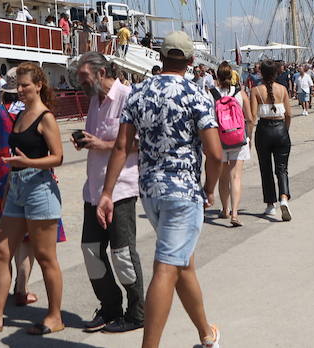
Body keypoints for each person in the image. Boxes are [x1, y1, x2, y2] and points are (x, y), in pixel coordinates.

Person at [98, 31, 222, 348]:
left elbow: (122, 147)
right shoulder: (197, 95)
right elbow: (216, 153)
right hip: (183, 192)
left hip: (150, 191)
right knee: (167, 267)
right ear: (191, 61)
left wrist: (107, 192)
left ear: (160, 56)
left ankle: (207, 334)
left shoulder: (138, 93)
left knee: (183, 263)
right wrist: (209, 189)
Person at [0, 63, 65, 335]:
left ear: (38, 85)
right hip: (16, 187)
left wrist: (28, 161)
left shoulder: (45, 117)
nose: (19, 90)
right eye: (17, 86)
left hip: (40, 188)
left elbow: (58, 156)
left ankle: (55, 316)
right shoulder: (21, 114)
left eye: (24, 85)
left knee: (45, 256)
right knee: (1, 250)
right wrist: (9, 186)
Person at [71, 52, 143, 334]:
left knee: (122, 253)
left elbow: (139, 142)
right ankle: (110, 306)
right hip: (93, 190)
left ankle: (137, 312)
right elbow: (97, 140)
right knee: (90, 251)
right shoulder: (93, 101)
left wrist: (101, 144)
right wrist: (86, 142)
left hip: (121, 188)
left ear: (101, 73)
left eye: (84, 78)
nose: (81, 84)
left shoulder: (127, 96)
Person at [249, 59, 294, 221]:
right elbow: (289, 114)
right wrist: (285, 130)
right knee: (282, 168)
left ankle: (270, 204)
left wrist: (249, 135)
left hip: (264, 129)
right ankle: (284, 197)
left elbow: (253, 116)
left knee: (266, 168)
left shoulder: (256, 91)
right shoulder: (282, 89)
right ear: (276, 73)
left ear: (261, 72)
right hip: (280, 128)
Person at [211, 63, 252, 225]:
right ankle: (235, 213)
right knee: (236, 177)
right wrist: (249, 137)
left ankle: (224, 209)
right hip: (237, 138)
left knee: (223, 177)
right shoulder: (239, 94)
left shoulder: (212, 94)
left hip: (219, 139)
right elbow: (249, 118)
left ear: (217, 77)